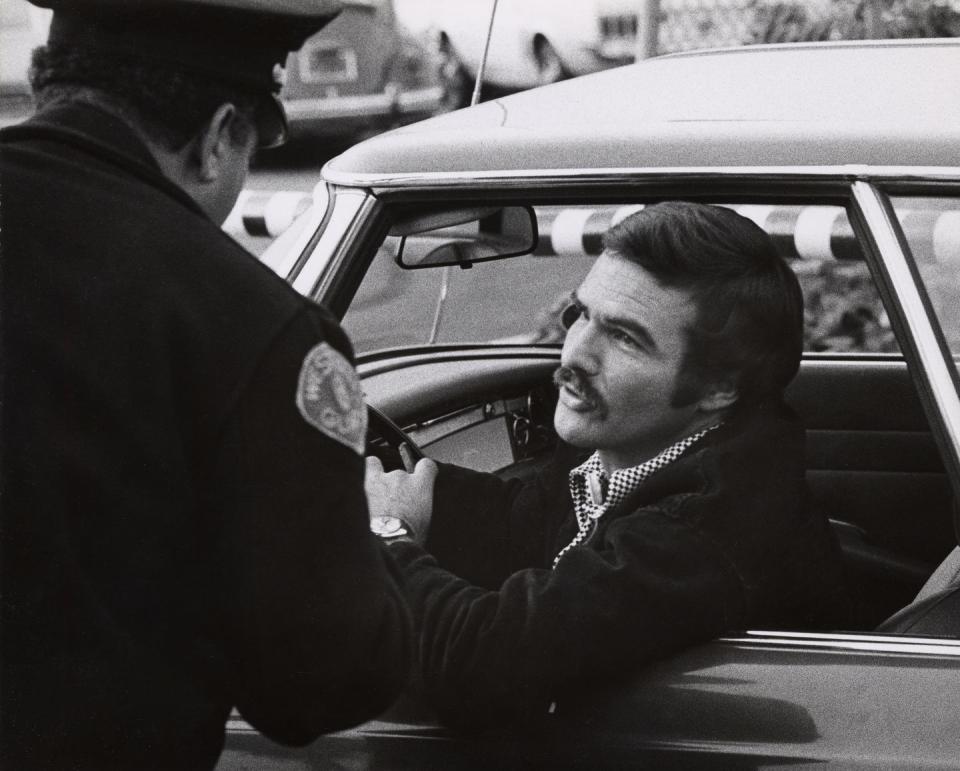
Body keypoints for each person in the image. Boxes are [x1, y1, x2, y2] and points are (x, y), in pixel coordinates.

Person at [0, 1, 411, 768]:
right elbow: (318, 685)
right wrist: (382, 534)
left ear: (42, 79)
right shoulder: (253, 330)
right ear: (221, 135)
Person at [365, 202, 850, 729]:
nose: (574, 355)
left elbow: (482, 662)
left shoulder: (703, 532)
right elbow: (524, 522)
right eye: (581, 315)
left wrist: (385, 535)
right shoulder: (628, 449)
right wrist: (406, 490)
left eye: (624, 338)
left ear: (718, 387)